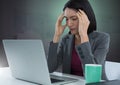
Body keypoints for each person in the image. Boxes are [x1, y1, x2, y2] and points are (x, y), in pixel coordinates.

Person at [47, 0, 110, 80]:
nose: (69, 24)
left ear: (86, 19)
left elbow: (92, 75)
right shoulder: (66, 40)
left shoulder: (102, 38)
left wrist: (83, 35)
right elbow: (50, 68)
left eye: (74, 19)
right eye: (66, 19)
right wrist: (57, 35)